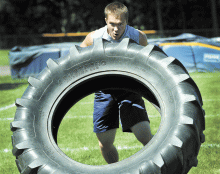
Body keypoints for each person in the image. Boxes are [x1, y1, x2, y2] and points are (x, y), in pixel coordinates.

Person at [80, 1, 153, 164]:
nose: (116, 29)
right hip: (104, 91)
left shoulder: (138, 37)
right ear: (106, 20)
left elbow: (149, 64)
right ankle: (115, 169)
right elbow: (78, 61)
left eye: (120, 24)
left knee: (145, 137)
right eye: (112, 24)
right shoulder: (93, 38)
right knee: (105, 144)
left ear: (126, 22)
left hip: (129, 89)